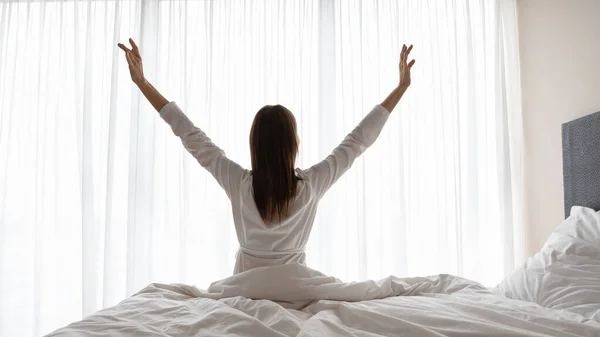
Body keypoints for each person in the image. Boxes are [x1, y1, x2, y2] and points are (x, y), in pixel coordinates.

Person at [118, 38, 415, 274]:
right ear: (293, 143)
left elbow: (190, 135)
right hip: (298, 288)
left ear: (254, 144)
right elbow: (358, 142)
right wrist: (400, 88)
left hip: (244, 290)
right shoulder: (311, 185)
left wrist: (143, 84)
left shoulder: (239, 183)